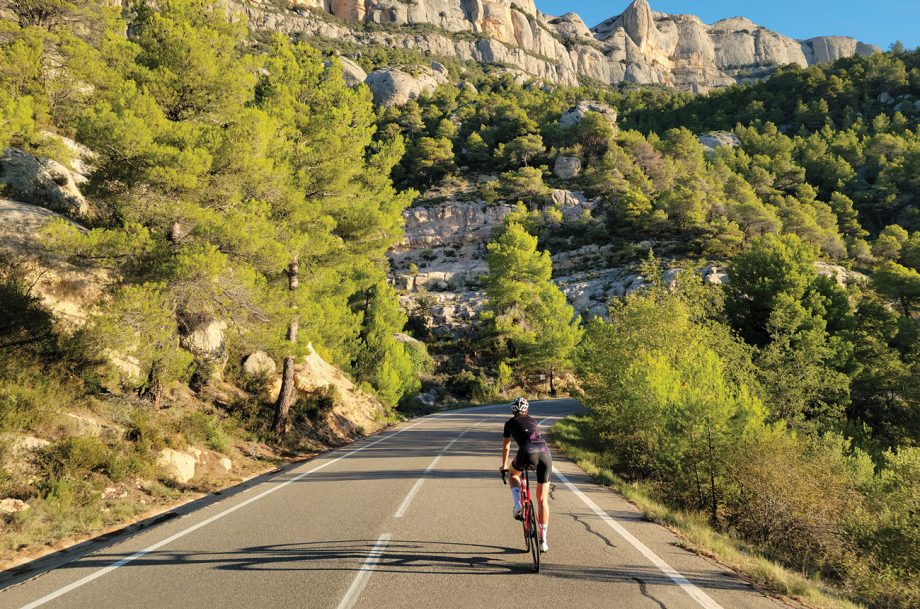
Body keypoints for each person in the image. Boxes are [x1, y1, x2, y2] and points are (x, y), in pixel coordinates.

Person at [500, 397, 552, 553]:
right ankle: (543, 540)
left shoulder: (509, 423)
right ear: (527, 410)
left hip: (526, 452)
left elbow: (506, 448)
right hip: (544, 452)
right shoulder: (533, 420)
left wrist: (504, 466)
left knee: (513, 474)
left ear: (513, 411)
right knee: (542, 500)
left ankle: (518, 505)